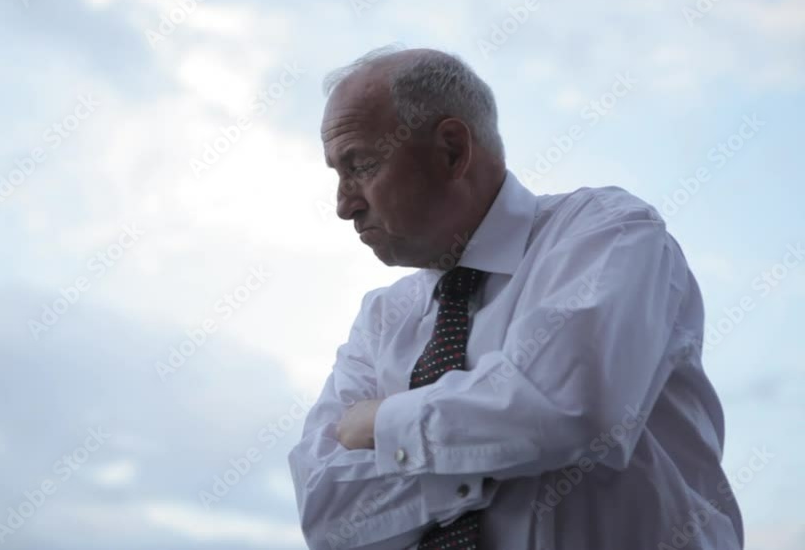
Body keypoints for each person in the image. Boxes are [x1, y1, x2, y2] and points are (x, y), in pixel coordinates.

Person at [286, 46, 743, 550]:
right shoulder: (381, 318)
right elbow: (326, 515)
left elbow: (570, 407)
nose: (344, 204)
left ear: (452, 150)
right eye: (338, 174)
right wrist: (494, 445)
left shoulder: (608, 230)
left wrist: (382, 423)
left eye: (362, 165)